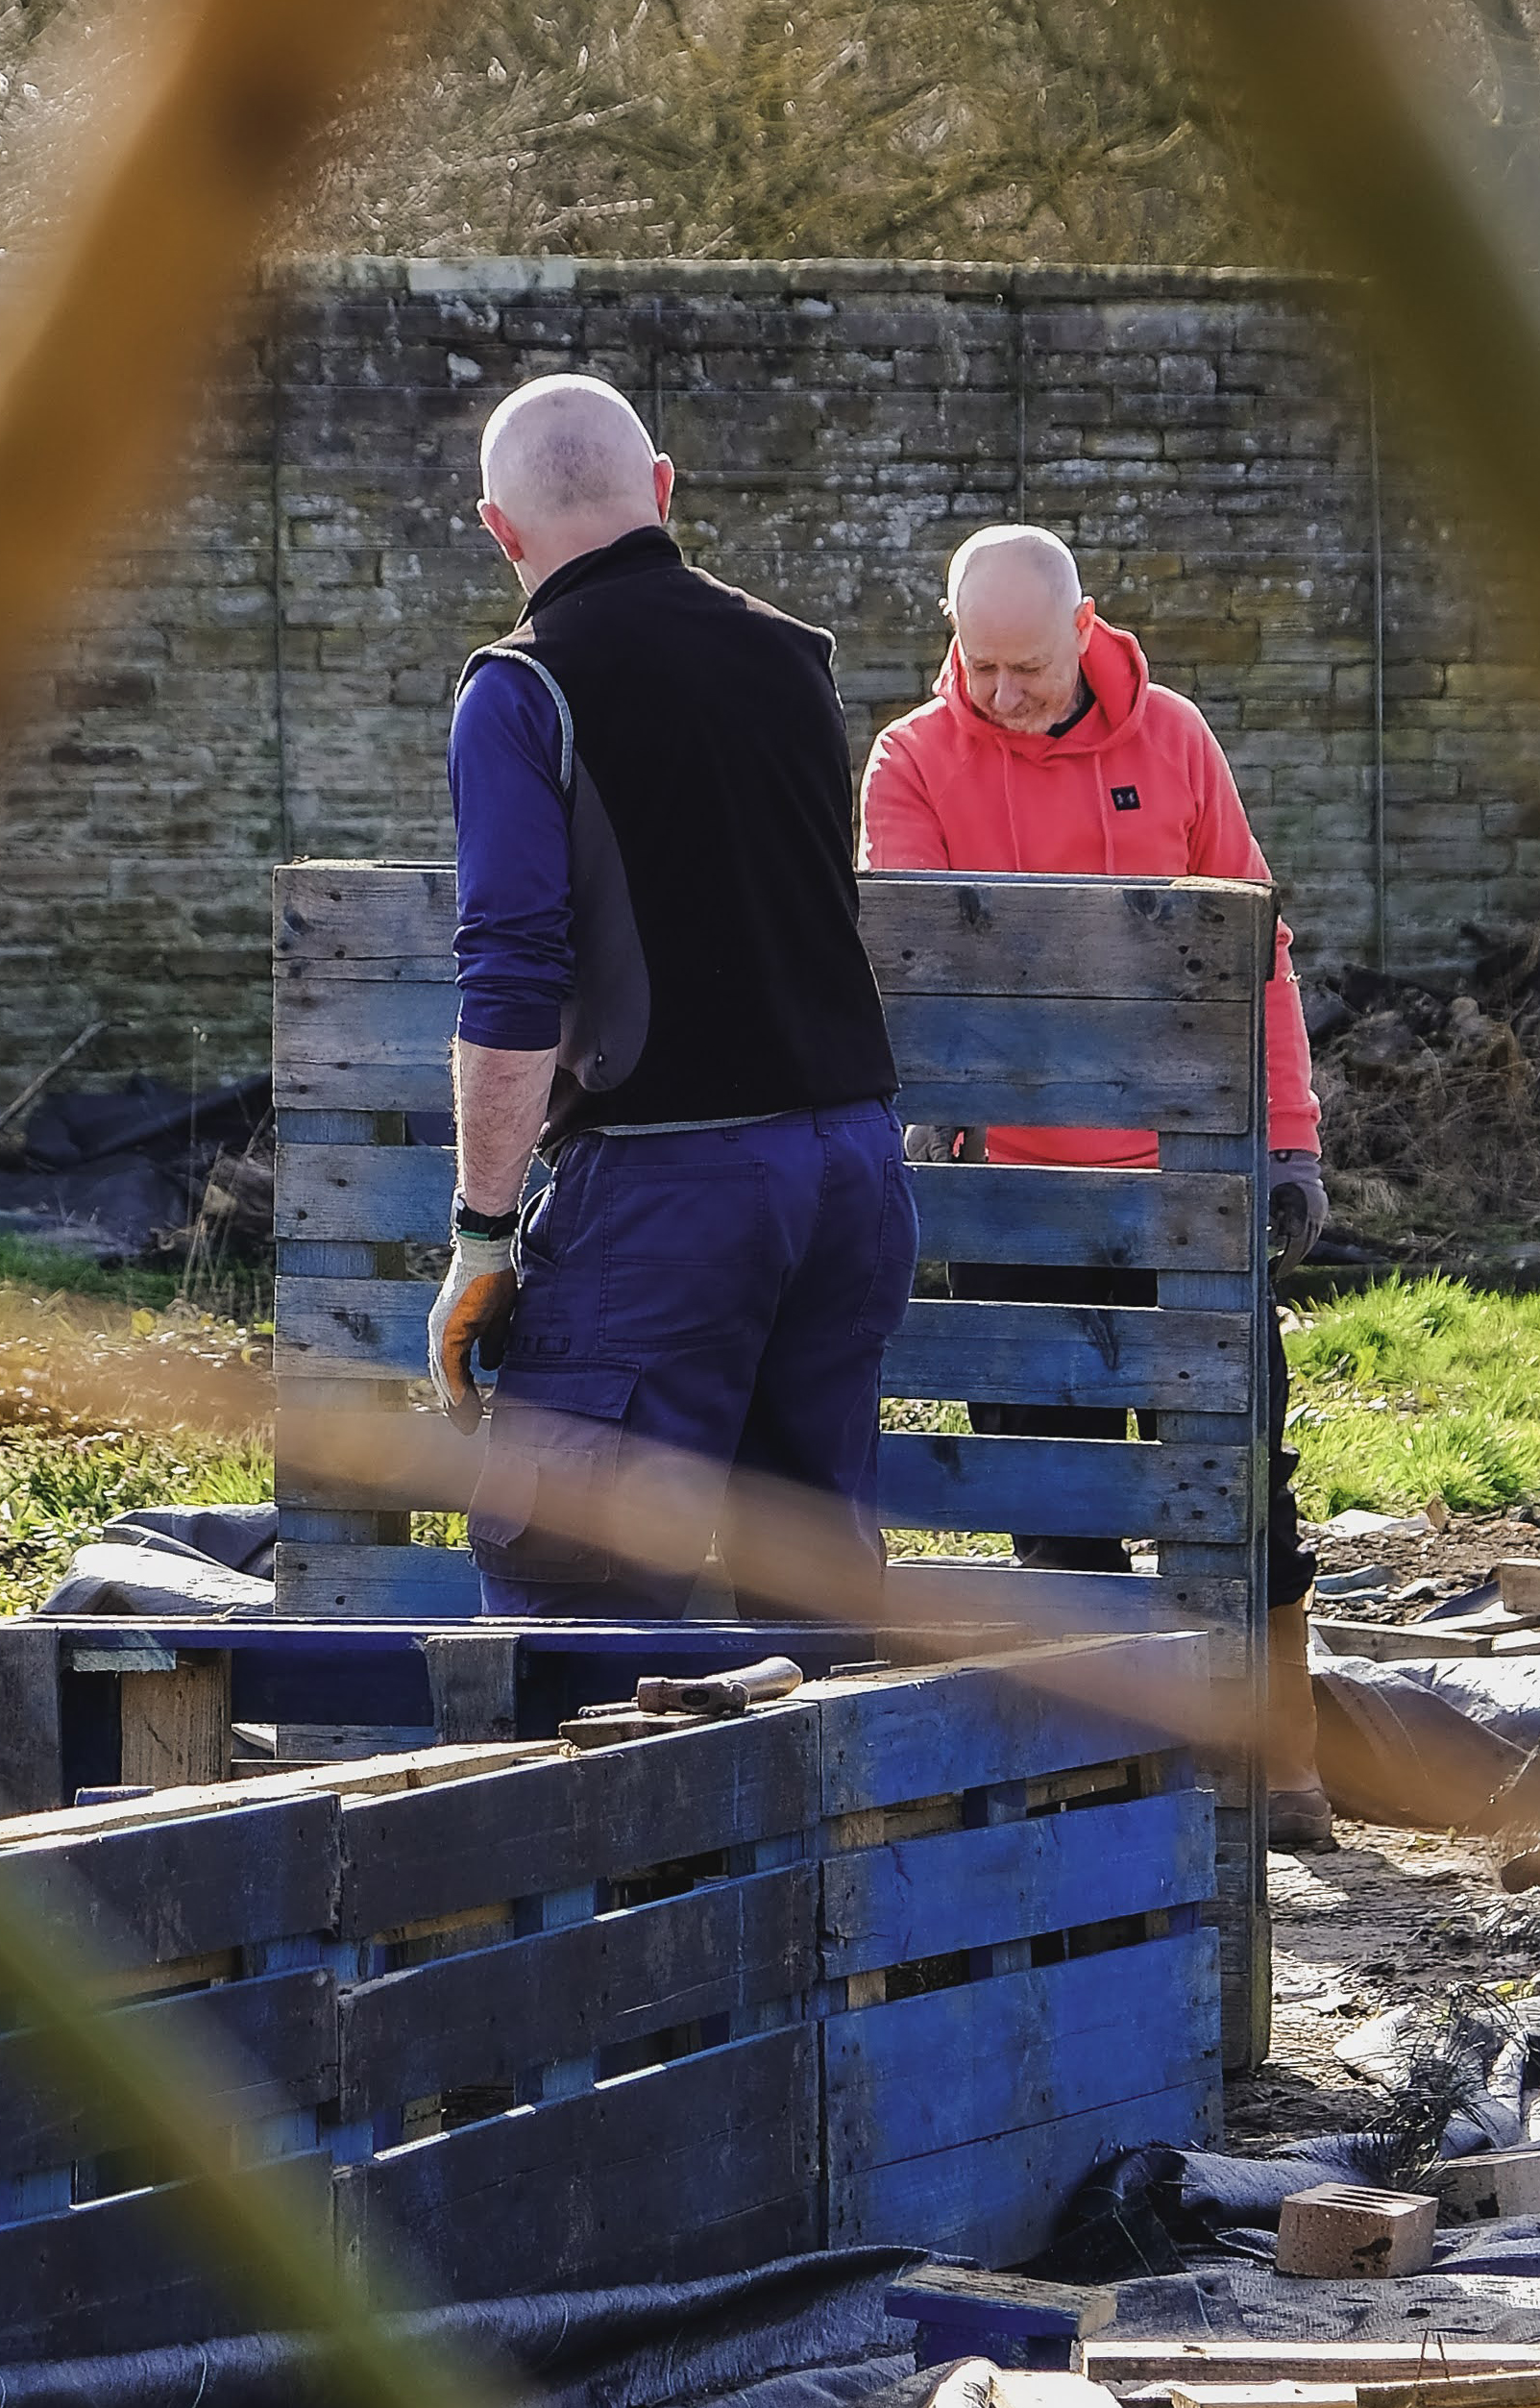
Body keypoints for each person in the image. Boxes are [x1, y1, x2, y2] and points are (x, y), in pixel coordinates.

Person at [859, 523, 1336, 1844]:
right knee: (1051, 1500)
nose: (998, 694)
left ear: (1083, 630)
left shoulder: (1172, 739)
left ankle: (1281, 1764)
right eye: (977, 663)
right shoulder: (912, 760)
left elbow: (1257, 942)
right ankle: (1105, 1782)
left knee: (1240, 1476)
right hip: (1012, 1191)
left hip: (1182, 1185)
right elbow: (909, 965)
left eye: (1022, 666)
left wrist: (1284, 1136)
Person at [425, 373, 916, 1620]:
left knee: (564, 1595)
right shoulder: (793, 657)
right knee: (812, 1604)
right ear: (661, 490)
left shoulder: (520, 688)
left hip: (670, 1191)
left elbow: (513, 969)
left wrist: (483, 1235)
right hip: (850, 1171)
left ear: (498, 528)